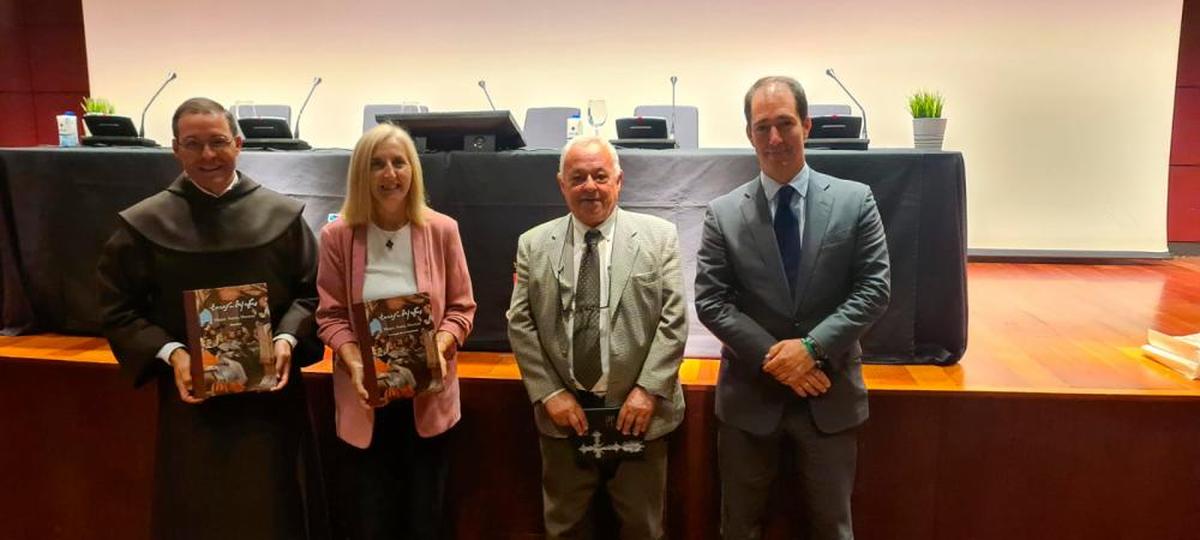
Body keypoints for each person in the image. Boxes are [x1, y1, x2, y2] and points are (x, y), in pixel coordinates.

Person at [96, 97, 328, 539]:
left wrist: (286, 339)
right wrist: (173, 353)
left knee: (275, 508)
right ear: (175, 149)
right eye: (194, 143)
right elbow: (118, 308)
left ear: (238, 144)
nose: (207, 155)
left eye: (218, 141)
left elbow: (312, 292)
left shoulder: (282, 217)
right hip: (193, 405)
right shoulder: (144, 225)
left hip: (271, 403)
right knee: (198, 511)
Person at [694, 76, 891, 540]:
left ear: (807, 125)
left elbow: (875, 288)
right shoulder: (722, 213)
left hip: (830, 395)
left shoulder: (854, 200)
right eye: (762, 127)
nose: (775, 138)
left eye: (785, 124)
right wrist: (778, 359)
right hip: (750, 399)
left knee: (832, 530)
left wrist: (811, 349)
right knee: (738, 529)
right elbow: (711, 300)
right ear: (749, 134)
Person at [506, 135, 687, 539]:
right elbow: (520, 322)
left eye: (600, 176)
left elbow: (674, 320)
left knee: (643, 528)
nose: (590, 186)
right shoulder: (533, 244)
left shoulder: (660, 238)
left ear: (619, 180)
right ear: (562, 184)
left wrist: (647, 390)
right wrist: (550, 393)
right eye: (579, 177)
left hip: (639, 415)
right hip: (564, 418)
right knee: (564, 529)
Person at [315, 123, 476, 540]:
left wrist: (438, 349)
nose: (390, 175)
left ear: (413, 170)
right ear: (360, 174)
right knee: (372, 520)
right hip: (366, 400)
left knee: (426, 520)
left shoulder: (442, 230)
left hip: (429, 401)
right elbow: (329, 316)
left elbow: (461, 308)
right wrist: (352, 361)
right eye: (377, 165)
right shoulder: (337, 236)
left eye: (398, 163)